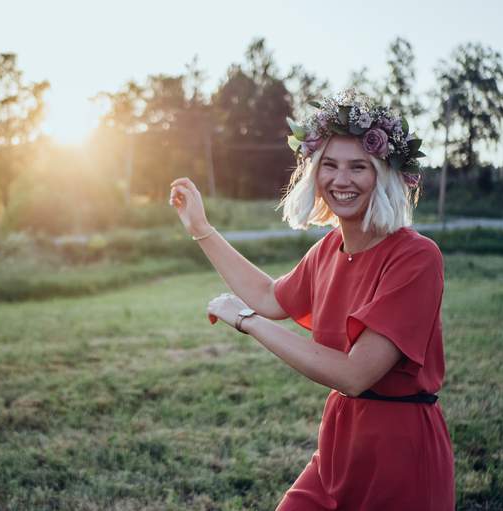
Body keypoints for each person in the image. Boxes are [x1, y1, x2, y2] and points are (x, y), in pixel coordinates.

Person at [168, 89, 455, 510]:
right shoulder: (328, 249)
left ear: (384, 175)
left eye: (359, 167)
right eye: (330, 166)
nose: (341, 180)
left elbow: (356, 373)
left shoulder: (416, 256)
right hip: (339, 440)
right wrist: (202, 229)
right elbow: (269, 296)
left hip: (400, 449)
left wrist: (246, 320)